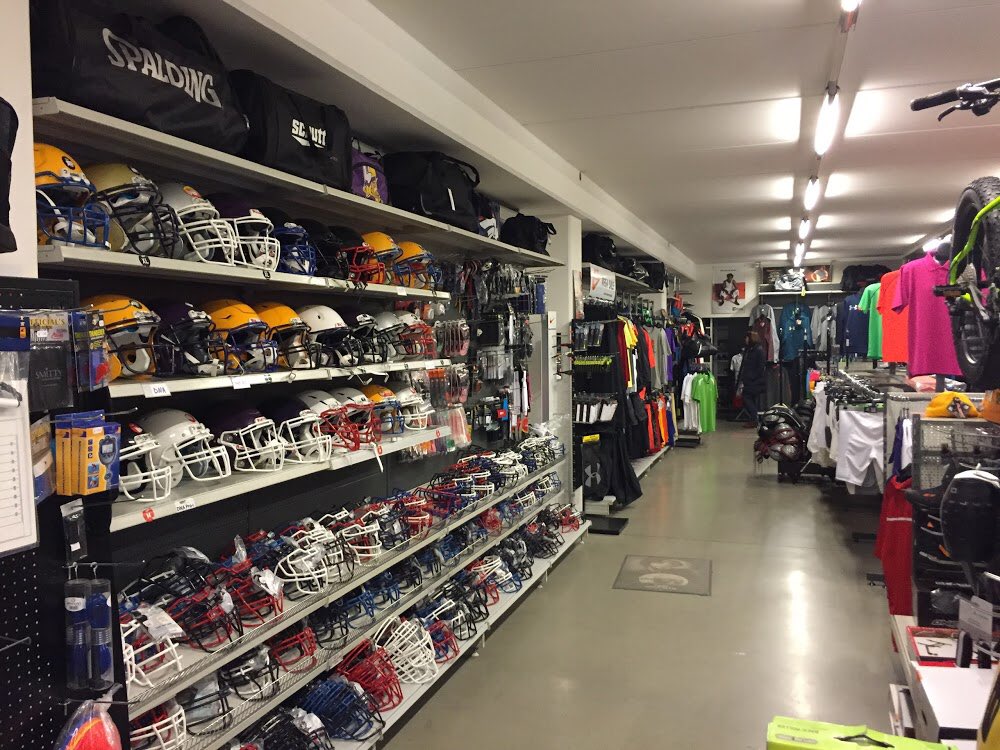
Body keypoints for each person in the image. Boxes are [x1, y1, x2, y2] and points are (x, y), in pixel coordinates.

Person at [738, 331, 766, 427]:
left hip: (754, 381)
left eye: (747, 338)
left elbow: (760, 367)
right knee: (751, 399)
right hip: (750, 380)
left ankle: (754, 419)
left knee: (747, 398)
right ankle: (753, 419)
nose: (745, 340)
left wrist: (751, 377)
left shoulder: (758, 351)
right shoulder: (750, 350)